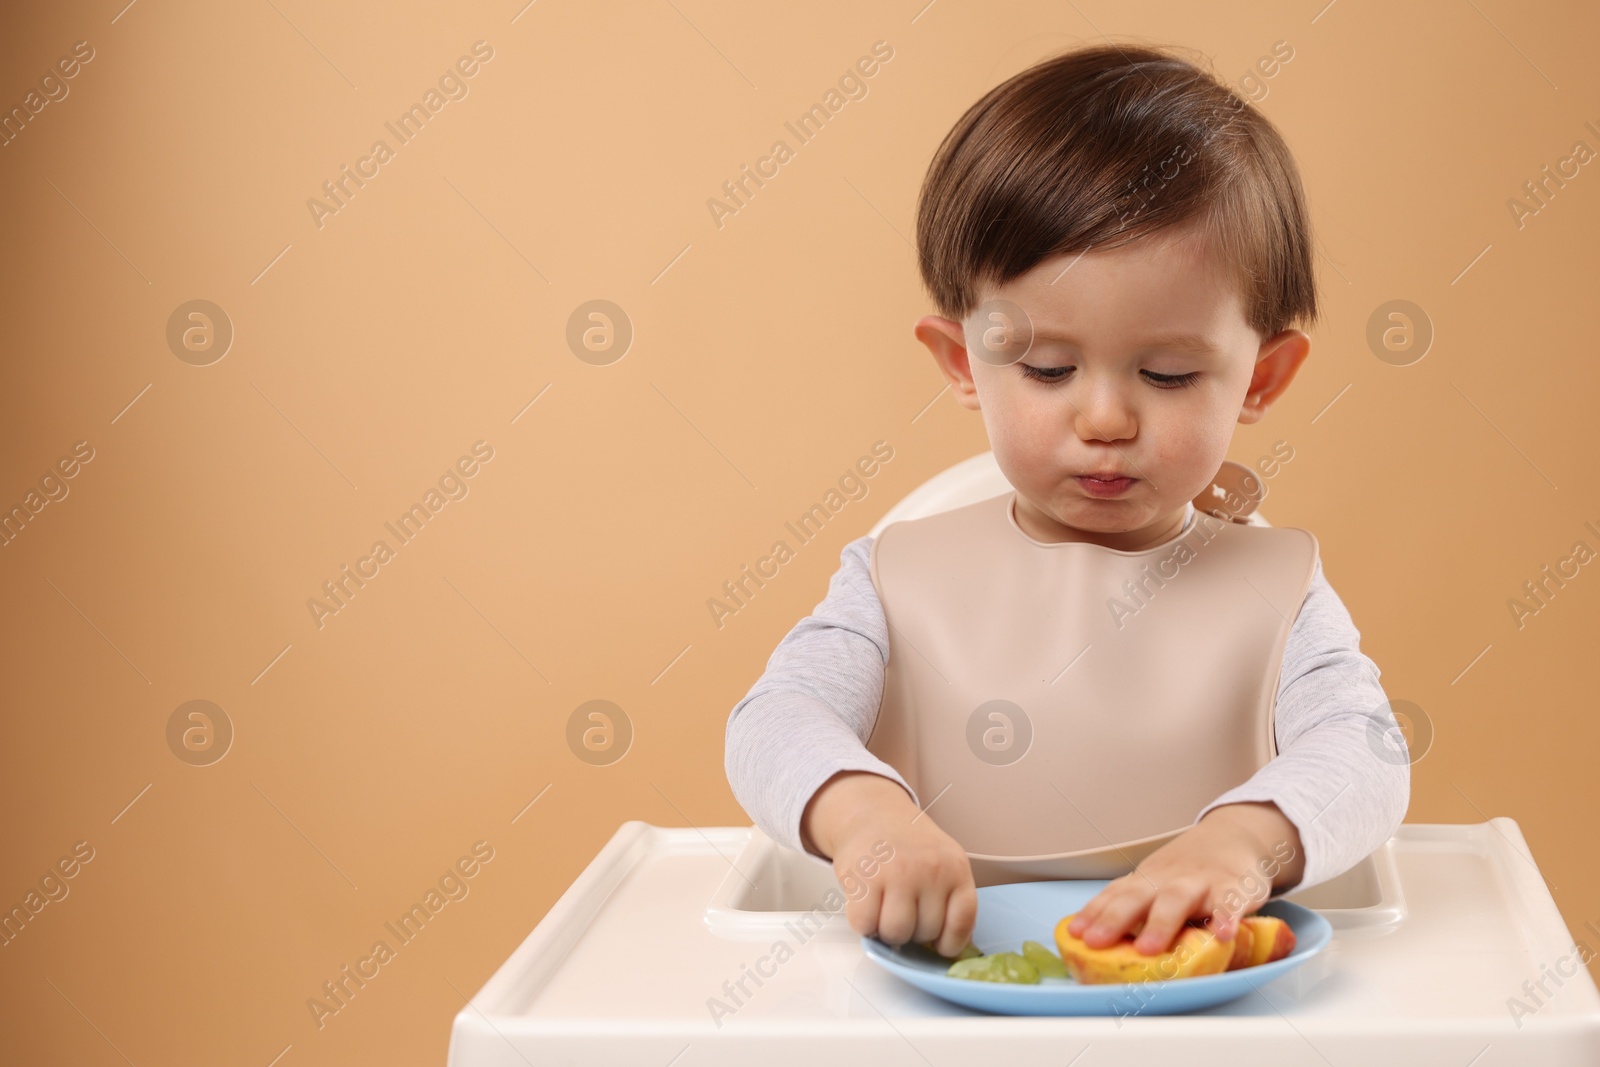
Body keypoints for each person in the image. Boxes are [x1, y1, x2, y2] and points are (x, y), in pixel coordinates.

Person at [724, 42, 1409, 962]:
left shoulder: (1278, 594)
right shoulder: (895, 581)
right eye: (1047, 369)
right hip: (935, 996)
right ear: (964, 361)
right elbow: (771, 721)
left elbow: (1366, 753)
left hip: (1206, 1009)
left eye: (1167, 374)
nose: (1105, 417)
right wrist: (864, 815)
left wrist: (1244, 841)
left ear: (1262, 377)